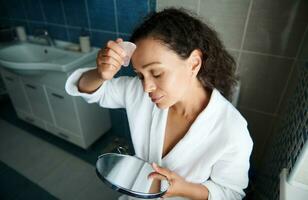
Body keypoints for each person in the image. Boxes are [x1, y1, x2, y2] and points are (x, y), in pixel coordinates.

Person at [65, 8, 253, 200]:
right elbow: (89, 89)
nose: (146, 87)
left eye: (156, 73)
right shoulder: (137, 92)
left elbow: (231, 193)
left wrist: (182, 188)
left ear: (194, 63)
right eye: (140, 75)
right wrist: (100, 74)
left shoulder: (232, 130)